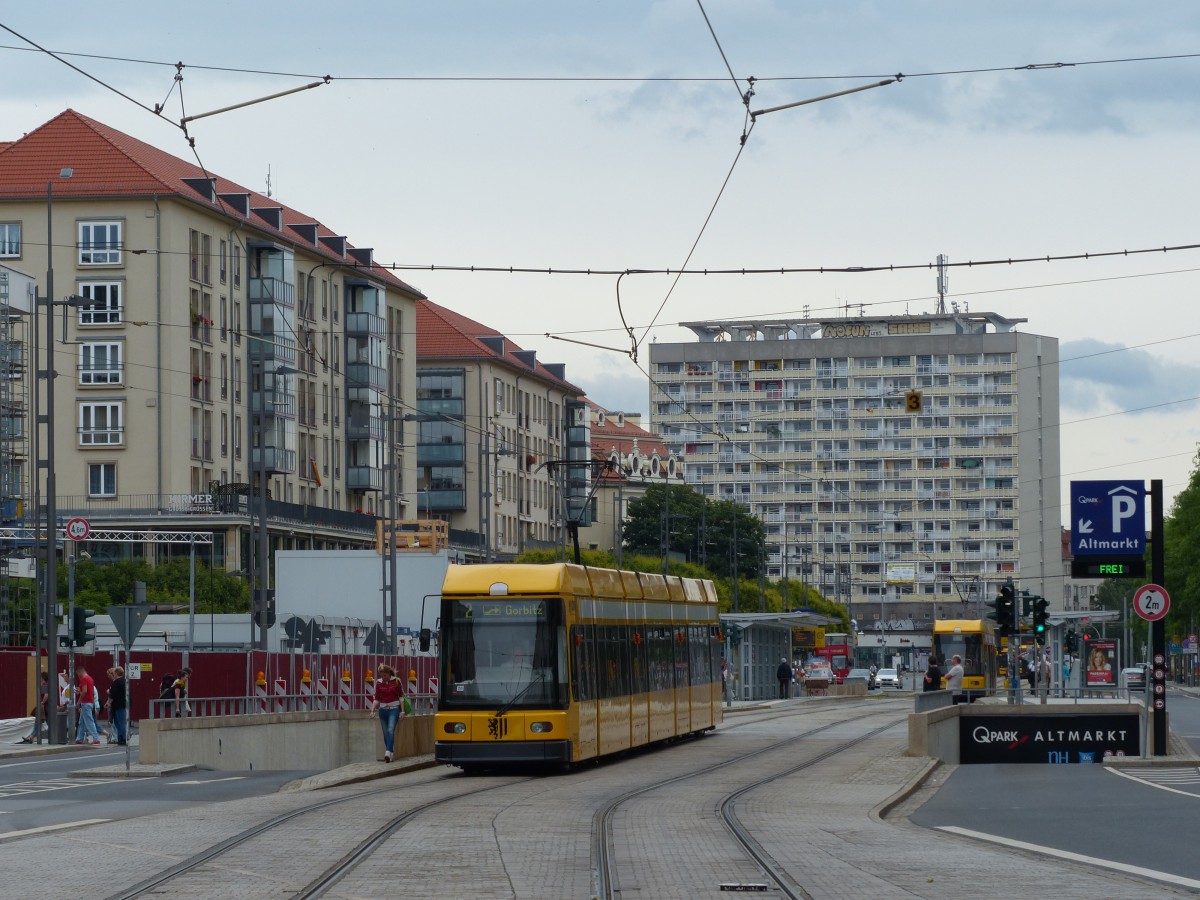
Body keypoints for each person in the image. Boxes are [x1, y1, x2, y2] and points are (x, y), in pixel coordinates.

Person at [369, 664, 405, 762]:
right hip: (382, 710)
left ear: (389, 673)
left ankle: (388, 752)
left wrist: (402, 711)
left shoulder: (397, 681)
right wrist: (372, 710)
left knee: (390, 730)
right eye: (381, 676)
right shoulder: (379, 683)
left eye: (385, 675)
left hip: (394, 709)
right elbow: (376, 699)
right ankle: (390, 754)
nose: (383, 678)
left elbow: (401, 697)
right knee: (385, 734)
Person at [19, 672, 51, 743]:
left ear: (43, 678)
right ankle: (31, 737)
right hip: (46, 707)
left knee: (42, 723)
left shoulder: (45, 684)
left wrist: (42, 702)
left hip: (44, 708)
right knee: (39, 723)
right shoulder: (47, 684)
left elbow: (46, 695)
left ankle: (32, 737)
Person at [75, 663, 102, 745]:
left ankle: (96, 738)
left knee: (89, 721)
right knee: (82, 722)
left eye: (78, 675)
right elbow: (88, 691)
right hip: (90, 702)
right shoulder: (90, 679)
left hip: (85, 703)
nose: (78, 677)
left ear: (80, 672)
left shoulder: (84, 679)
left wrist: (79, 701)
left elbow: (85, 691)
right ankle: (79, 738)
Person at [107, 666, 128, 745]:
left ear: (116, 673)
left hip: (118, 705)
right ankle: (121, 738)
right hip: (125, 704)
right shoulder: (125, 681)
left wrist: (108, 703)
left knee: (120, 722)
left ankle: (123, 738)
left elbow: (112, 694)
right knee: (120, 722)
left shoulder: (116, 682)